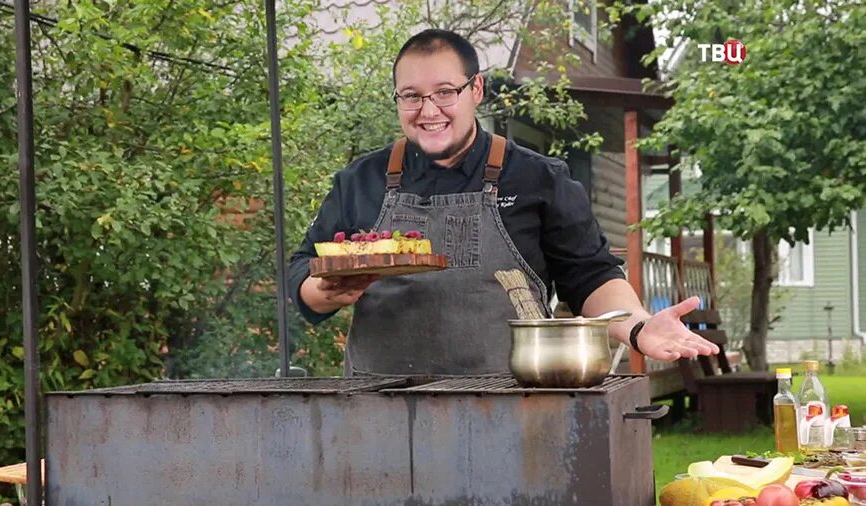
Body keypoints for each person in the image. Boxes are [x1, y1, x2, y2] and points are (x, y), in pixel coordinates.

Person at [288, 29, 719, 376]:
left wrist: (639, 327)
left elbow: (589, 277)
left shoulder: (537, 178)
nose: (428, 109)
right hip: (377, 412)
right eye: (411, 96)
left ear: (475, 89)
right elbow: (302, 272)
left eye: (444, 92)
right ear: (398, 99)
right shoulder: (361, 180)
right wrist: (324, 292)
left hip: (506, 411)